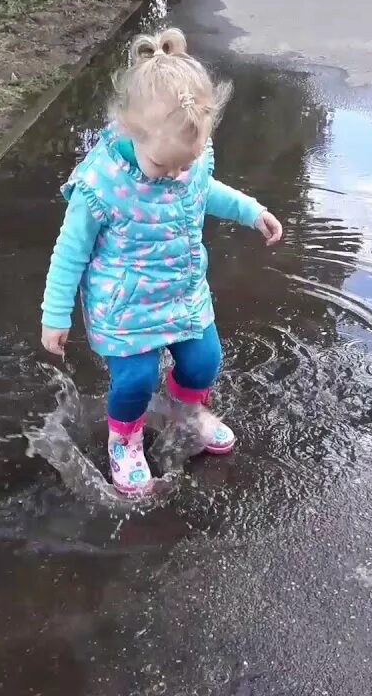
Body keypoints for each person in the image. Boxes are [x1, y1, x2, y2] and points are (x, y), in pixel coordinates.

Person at [39, 28, 284, 497]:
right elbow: (70, 251)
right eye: (162, 167)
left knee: (205, 360)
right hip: (125, 304)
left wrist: (252, 211)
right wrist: (55, 314)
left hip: (183, 291)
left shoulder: (185, 158)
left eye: (183, 166)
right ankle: (124, 439)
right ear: (133, 132)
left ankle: (186, 409)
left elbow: (203, 190)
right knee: (135, 378)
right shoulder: (101, 185)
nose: (174, 176)